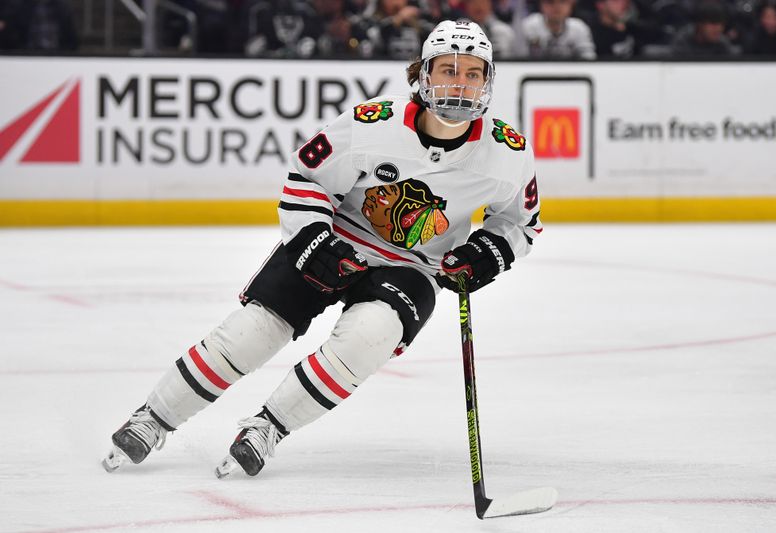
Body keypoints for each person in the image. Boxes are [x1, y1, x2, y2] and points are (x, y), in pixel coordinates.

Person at [102, 19, 543, 478]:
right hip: (335, 241)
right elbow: (307, 180)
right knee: (254, 331)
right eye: (448, 70)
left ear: (488, 81)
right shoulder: (371, 124)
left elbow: (520, 224)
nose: (460, 83)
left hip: (413, 265)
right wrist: (314, 242)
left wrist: (485, 254)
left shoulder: (507, 152)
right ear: (423, 74)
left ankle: (269, 427)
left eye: (473, 73)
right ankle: (153, 417)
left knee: (371, 334)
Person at [519, 0, 597, 59]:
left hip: (571, 76)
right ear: (541, 5)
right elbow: (519, 60)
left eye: (562, 2)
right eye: (550, 2)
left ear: (571, 5)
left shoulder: (579, 28)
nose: (557, 7)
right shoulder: (528, 26)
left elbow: (589, 60)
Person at [670, 1, 739, 57]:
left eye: (721, 24)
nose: (719, 29)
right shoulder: (683, 42)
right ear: (700, 24)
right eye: (713, 23)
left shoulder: (722, 44)